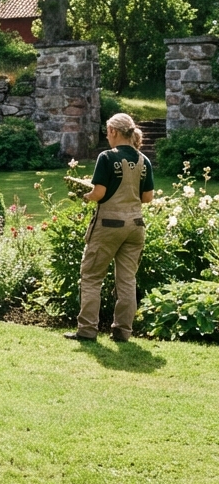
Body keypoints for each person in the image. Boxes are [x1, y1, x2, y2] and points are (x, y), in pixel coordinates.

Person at [66, 113, 154, 344]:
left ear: (114, 131)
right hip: (135, 226)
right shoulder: (144, 160)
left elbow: (99, 194)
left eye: (107, 132)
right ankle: (122, 332)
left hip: (108, 225)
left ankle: (87, 330)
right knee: (127, 281)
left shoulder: (106, 157)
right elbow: (147, 198)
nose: (107, 136)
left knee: (92, 277)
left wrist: (85, 194)